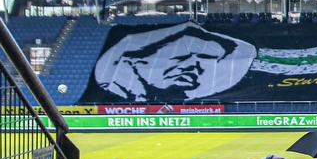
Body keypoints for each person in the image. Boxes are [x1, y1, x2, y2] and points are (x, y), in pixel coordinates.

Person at [94, 22, 256, 103]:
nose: (195, 67)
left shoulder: (205, 86)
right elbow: (125, 45)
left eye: (204, 60)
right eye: (182, 59)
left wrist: (195, 30)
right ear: (136, 63)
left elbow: (247, 51)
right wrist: (183, 29)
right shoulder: (112, 77)